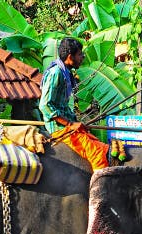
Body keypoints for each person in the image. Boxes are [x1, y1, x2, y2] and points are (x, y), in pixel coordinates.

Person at [39, 37, 125, 171]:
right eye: (80, 54)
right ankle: (99, 189)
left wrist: (75, 122)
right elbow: (45, 105)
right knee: (96, 154)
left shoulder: (65, 72)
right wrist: (70, 124)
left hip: (67, 125)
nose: (83, 57)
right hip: (60, 129)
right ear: (69, 56)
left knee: (99, 144)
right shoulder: (56, 73)